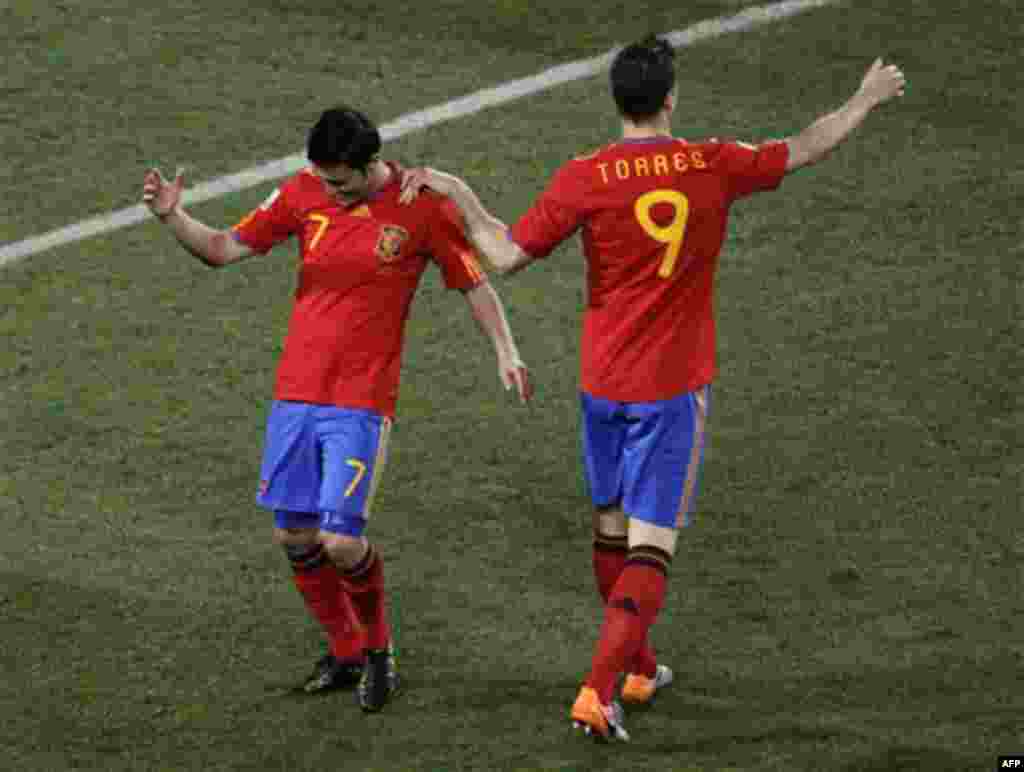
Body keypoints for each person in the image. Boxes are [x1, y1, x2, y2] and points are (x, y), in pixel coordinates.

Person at [398, 37, 905, 740]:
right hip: (670, 389)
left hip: (603, 384)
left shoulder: (585, 177)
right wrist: (865, 98)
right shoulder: (712, 163)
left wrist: (459, 193)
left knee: (611, 533)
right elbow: (806, 146)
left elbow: (506, 252)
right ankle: (597, 692)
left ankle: (639, 668)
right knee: (650, 547)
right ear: (670, 97)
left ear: (616, 101)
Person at [141, 106, 531, 713]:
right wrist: (173, 217)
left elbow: (474, 280)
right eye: (323, 180)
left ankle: (380, 653)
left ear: (370, 163)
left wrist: (506, 350)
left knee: (341, 541)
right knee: (293, 533)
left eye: (341, 182)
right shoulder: (302, 193)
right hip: (296, 394)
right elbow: (220, 250)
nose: (330, 190)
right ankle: (345, 651)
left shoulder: (420, 205)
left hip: (360, 401)